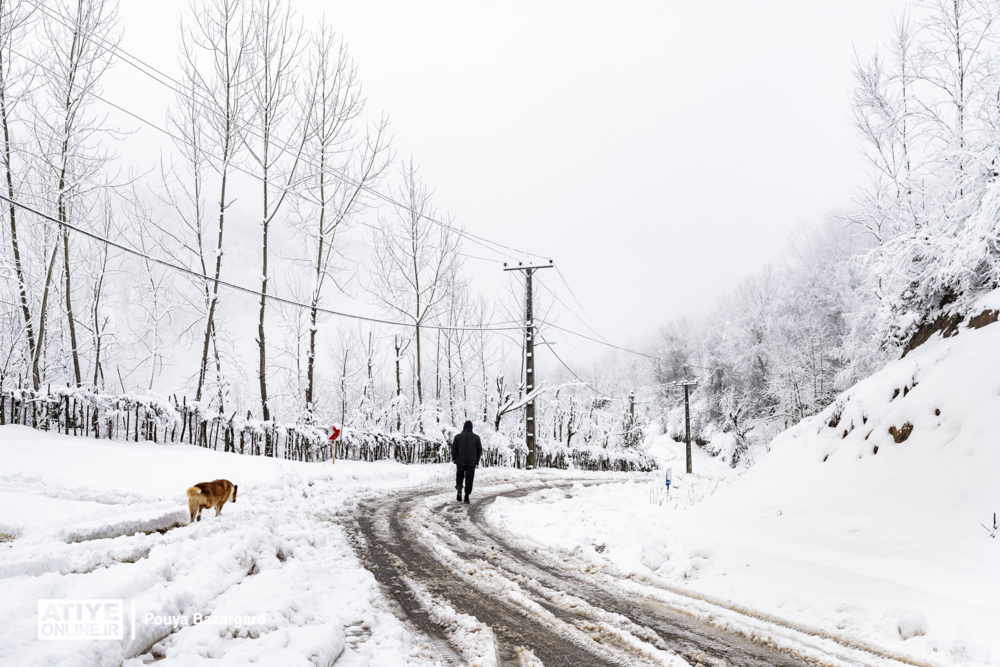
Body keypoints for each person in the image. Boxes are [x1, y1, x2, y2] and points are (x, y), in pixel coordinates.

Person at [451, 420, 482, 504]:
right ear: (471, 428)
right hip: (471, 462)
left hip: (460, 461)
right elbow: (479, 450)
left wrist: (455, 458)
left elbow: (454, 449)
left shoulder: (457, 437)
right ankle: (467, 497)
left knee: (459, 476)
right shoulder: (476, 437)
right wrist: (476, 460)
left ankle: (459, 489)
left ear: (464, 427)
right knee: (469, 479)